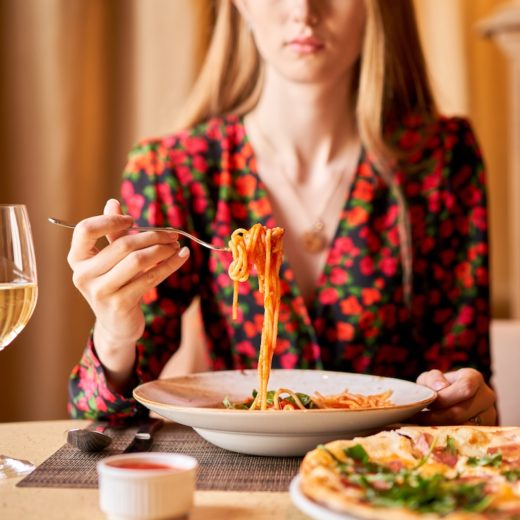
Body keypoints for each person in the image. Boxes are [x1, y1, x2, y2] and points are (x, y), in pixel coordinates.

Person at [67, 0, 497, 426]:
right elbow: (104, 416)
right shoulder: (175, 168)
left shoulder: (442, 158)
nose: (304, 11)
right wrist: (115, 333)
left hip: (385, 472)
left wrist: (461, 395)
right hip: (236, 473)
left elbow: (465, 382)